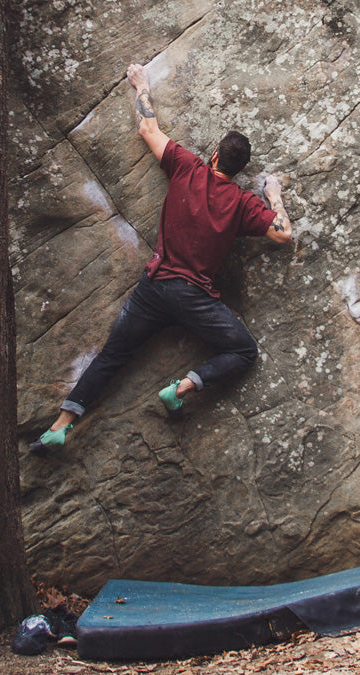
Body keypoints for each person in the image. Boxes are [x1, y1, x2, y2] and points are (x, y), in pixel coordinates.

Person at [30, 61, 293, 452]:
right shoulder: (241, 204)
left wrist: (142, 84)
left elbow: (147, 128)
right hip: (193, 298)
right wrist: (273, 195)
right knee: (243, 351)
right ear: (239, 172)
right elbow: (284, 235)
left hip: (154, 288)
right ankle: (180, 388)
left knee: (112, 356)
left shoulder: (187, 167)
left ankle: (59, 426)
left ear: (214, 156)